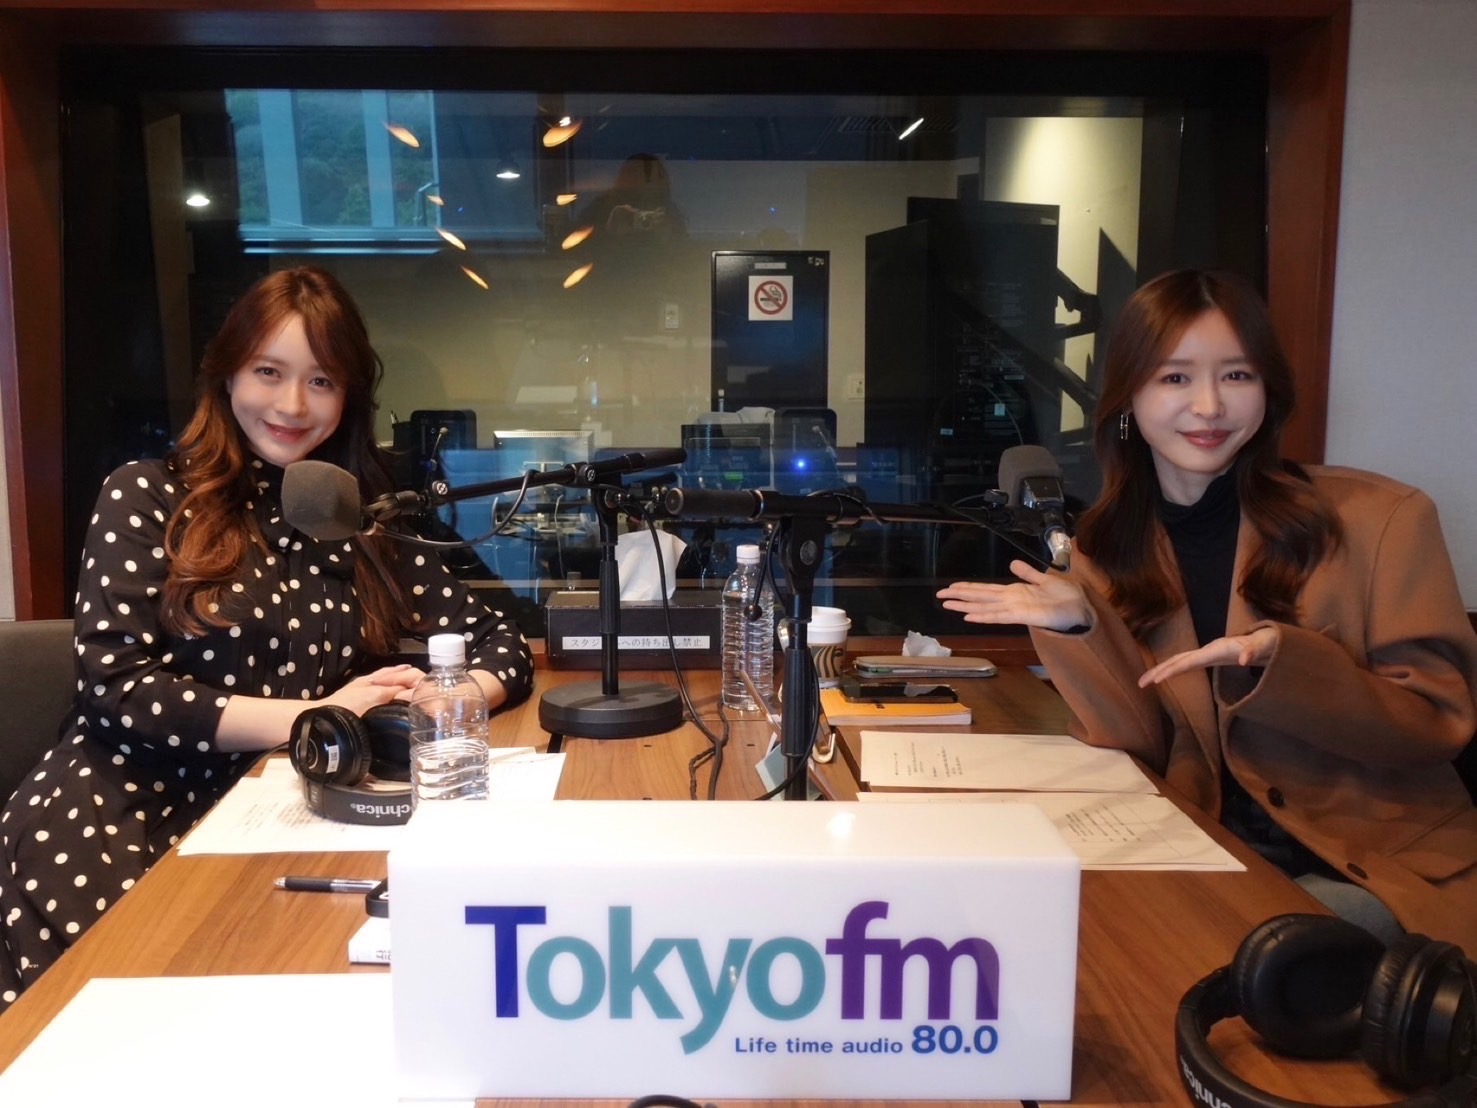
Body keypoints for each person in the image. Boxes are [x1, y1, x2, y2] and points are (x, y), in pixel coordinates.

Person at [0, 266, 535, 1010]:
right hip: (121, 814)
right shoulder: (146, 494)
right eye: (268, 372)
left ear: (349, 397)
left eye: (321, 381)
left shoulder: (357, 517)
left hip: (280, 812)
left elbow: (501, 643)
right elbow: (118, 689)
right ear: (226, 375)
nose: (291, 405)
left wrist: (448, 698)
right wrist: (319, 716)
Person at [937, 269, 1477, 948]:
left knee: (1231, 957)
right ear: (1129, 399)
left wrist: (1281, 664)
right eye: (1174, 378)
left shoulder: (1382, 518)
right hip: (1204, 848)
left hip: (1371, 866)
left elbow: (1435, 726)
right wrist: (1084, 628)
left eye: (1236, 375)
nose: (1209, 406)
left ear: (1268, 391)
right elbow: (1140, 750)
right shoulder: (1107, 548)